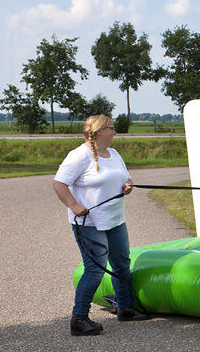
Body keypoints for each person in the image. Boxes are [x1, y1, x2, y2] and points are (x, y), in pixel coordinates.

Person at [53, 115, 150, 336]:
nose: (115, 132)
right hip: (89, 223)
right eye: (112, 128)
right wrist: (74, 205)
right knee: (95, 270)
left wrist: (128, 186)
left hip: (115, 220)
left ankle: (125, 308)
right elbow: (59, 184)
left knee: (122, 264)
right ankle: (79, 319)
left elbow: (127, 178)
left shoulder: (114, 154)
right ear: (99, 132)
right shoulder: (79, 156)